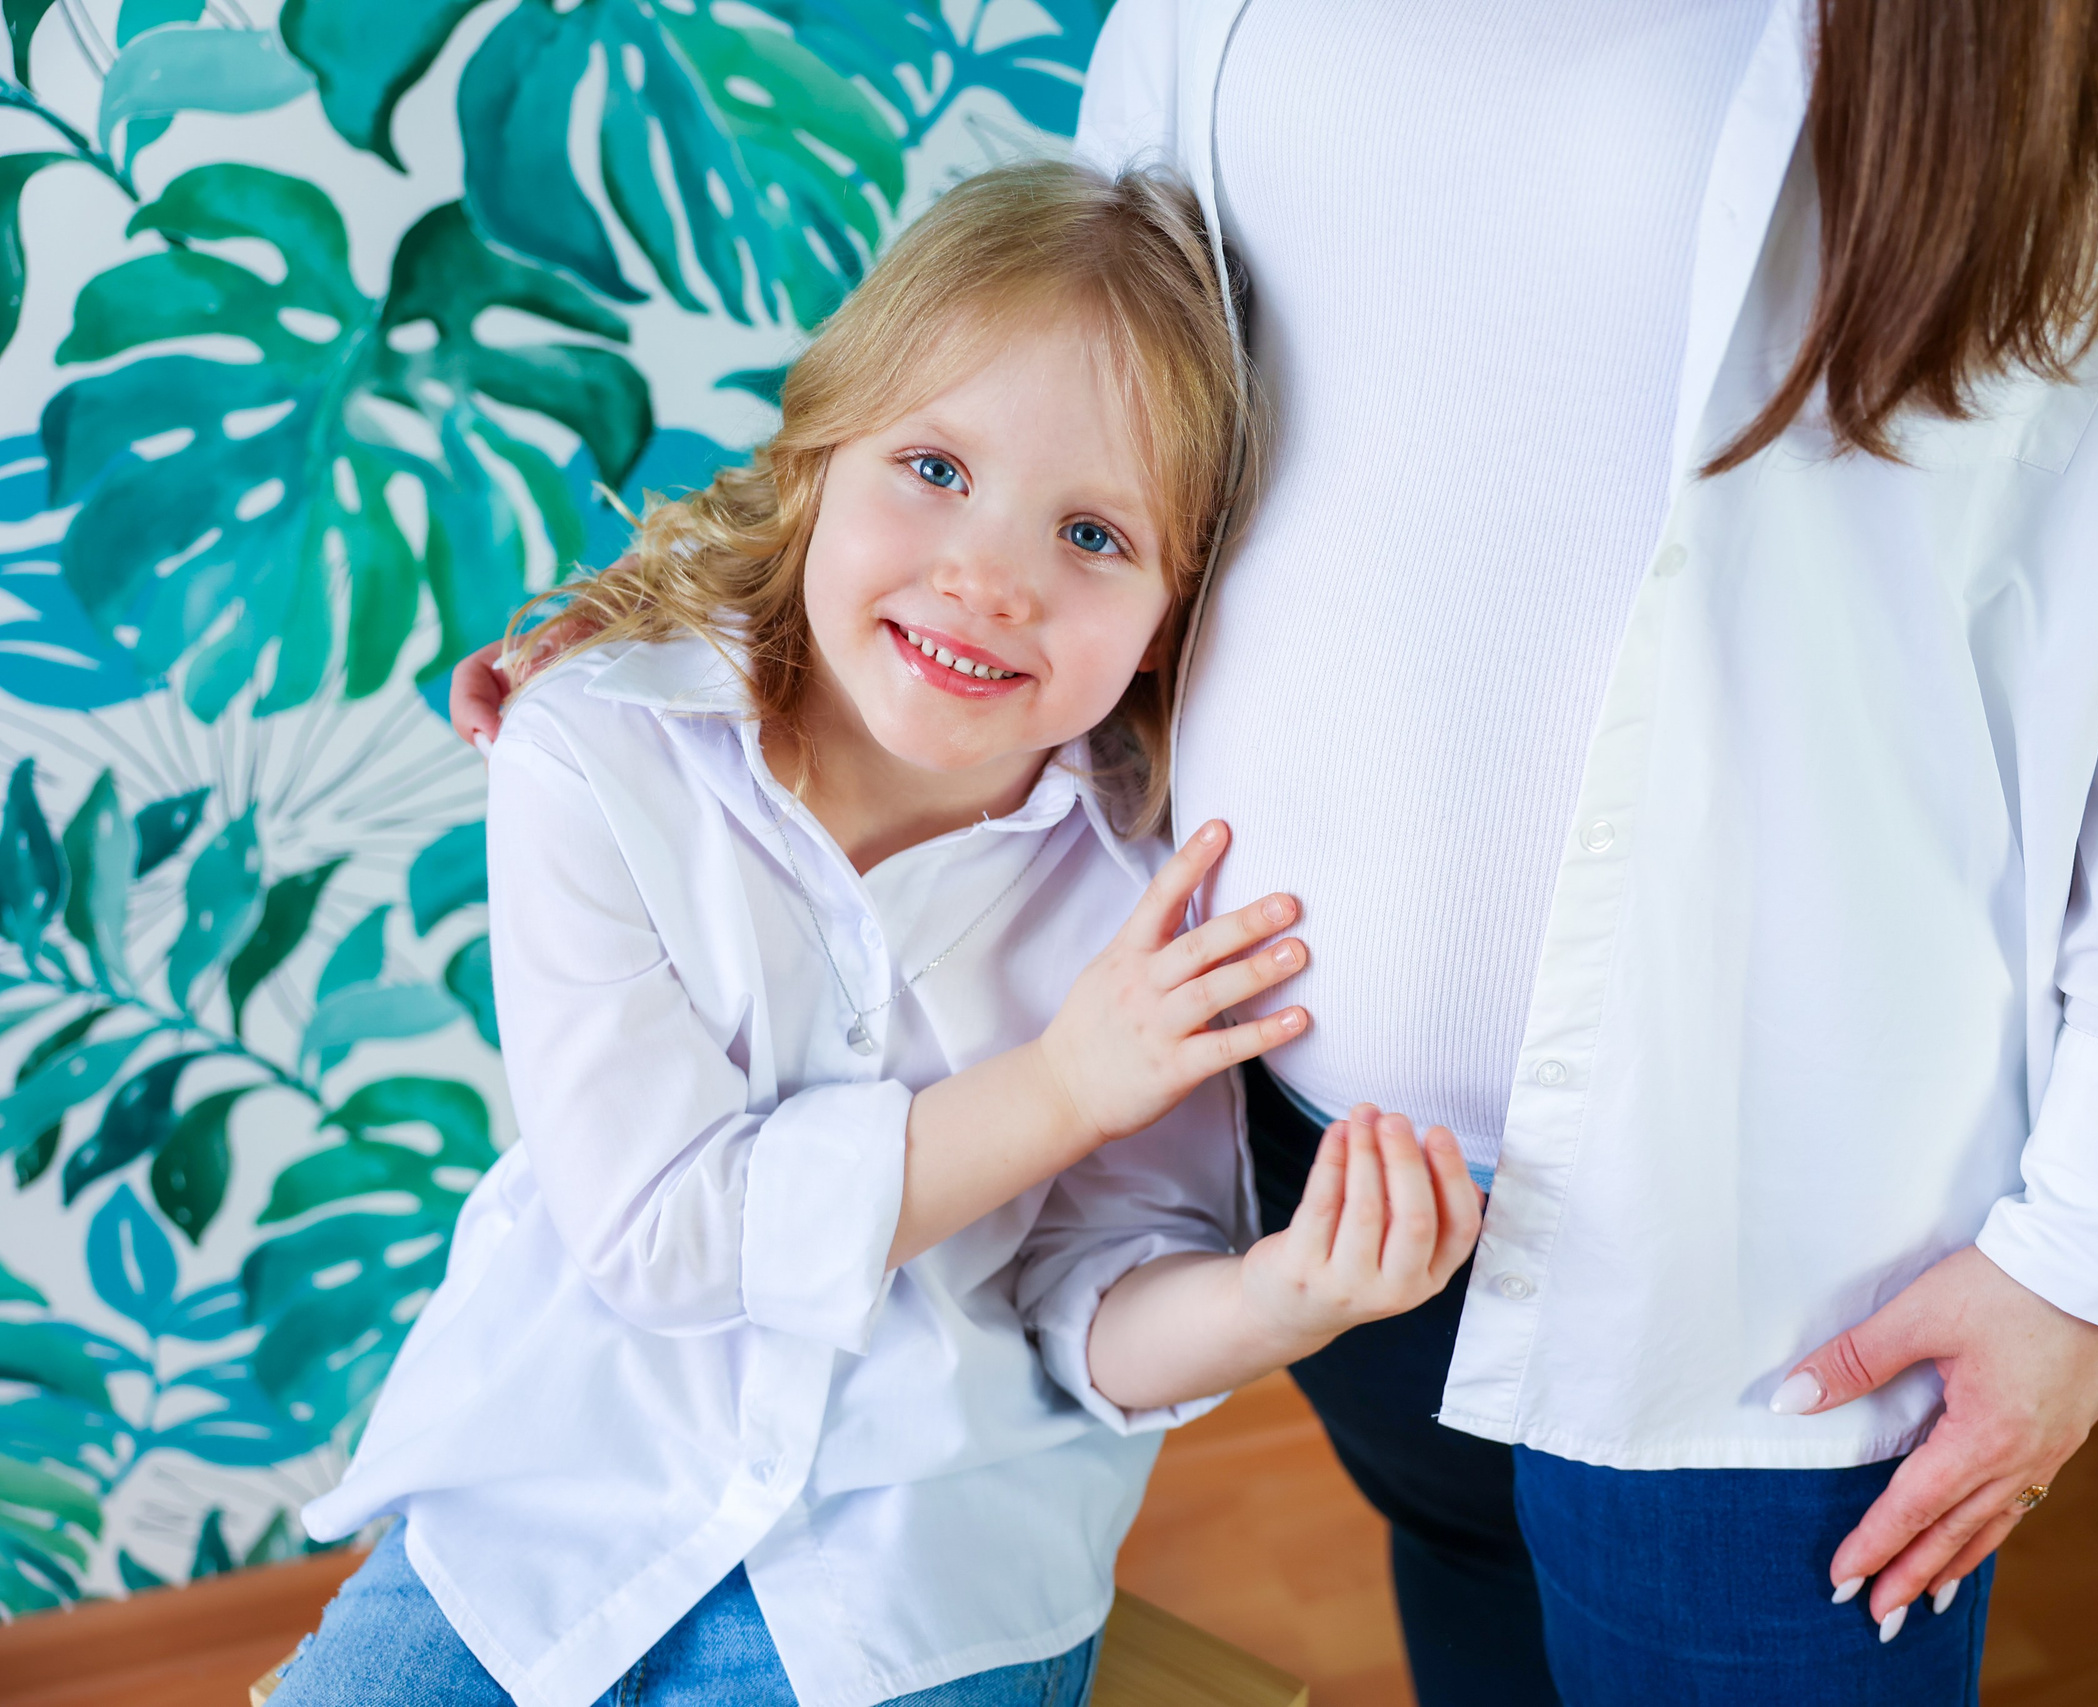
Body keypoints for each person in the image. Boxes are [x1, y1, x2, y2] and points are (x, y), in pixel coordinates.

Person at [457, 1, 2098, 1700]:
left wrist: (2097, 1240)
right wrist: (706, 599)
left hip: (1791, 1243)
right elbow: (1105, 347)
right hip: (1312, 1147)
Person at [281, 160, 1480, 1707]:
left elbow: (1090, 1310)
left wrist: (1277, 1300)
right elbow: (664, 1230)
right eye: (933, 466)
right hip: (547, 1519)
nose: (991, 578)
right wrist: (1056, 1089)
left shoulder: (1150, 894)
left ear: (1175, 615)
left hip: (920, 1587)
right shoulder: (595, 752)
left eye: (1096, 537)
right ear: (818, 457)